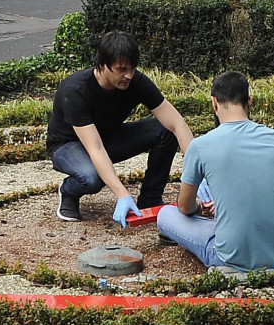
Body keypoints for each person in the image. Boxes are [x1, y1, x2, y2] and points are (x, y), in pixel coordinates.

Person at [157, 71, 274, 280]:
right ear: (250, 102)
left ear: (214, 103)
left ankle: (229, 251)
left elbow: (184, 206)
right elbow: (262, 180)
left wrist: (201, 208)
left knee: (166, 214)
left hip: (231, 257)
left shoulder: (200, 146)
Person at [47, 31, 193, 226]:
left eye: (132, 69)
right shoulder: (76, 91)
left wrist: (197, 172)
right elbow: (95, 148)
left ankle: (150, 199)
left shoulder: (136, 81)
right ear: (102, 64)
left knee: (165, 129)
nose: (129, 75)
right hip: (68, 145)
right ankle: (68, 191)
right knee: (91, 178)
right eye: (122, 69)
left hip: (108, 138)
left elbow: (177, 123)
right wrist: (122, 194)